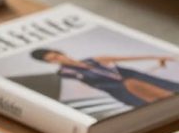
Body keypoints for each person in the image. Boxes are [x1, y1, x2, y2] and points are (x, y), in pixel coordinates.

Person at [29, 47, 179, 108]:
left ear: (60, 53)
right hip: (121, 91)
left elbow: (130, 59)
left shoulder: (96, 59)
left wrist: (157, 58)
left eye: (56, 56)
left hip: (137, 80)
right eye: (52, 60)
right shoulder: (65, 73)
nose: (58, 60)